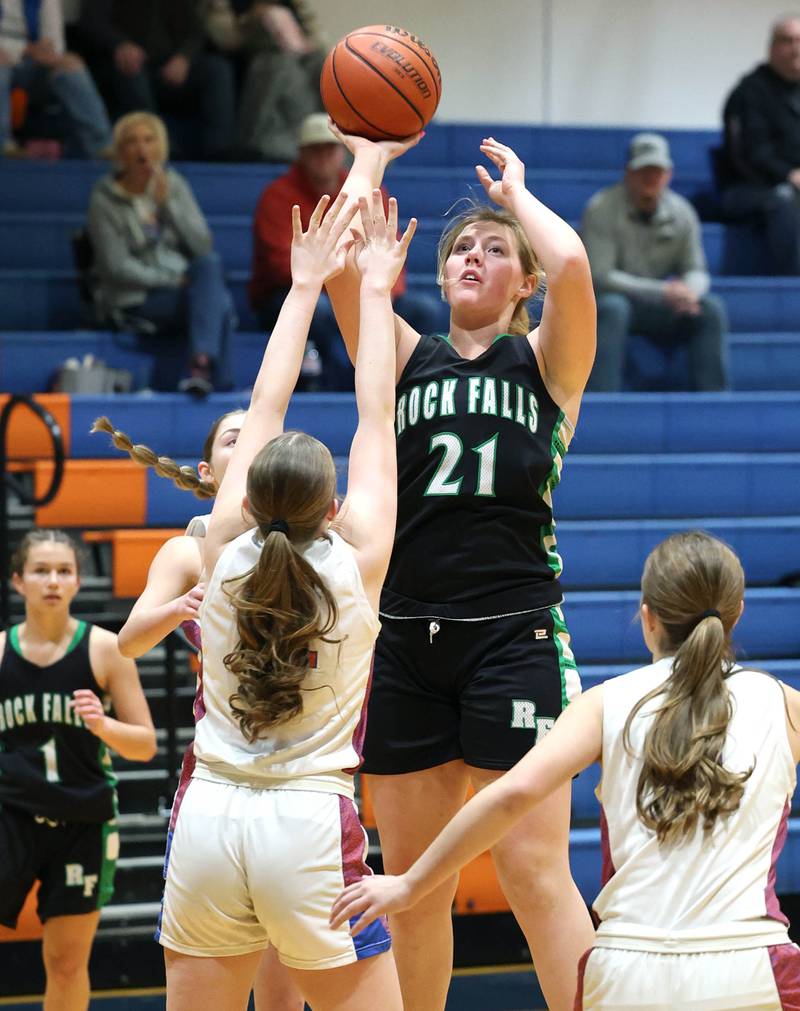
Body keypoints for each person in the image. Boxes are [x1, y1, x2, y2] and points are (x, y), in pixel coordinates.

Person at [323, 129, 597, 1011]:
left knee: (532, 871)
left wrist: (515, 196)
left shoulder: (547, 363)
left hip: (514, 634)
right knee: (411, 882)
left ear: (525, 284)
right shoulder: (403, 357)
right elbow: (338, 270)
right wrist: (369, 158)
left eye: (494, 251)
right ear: (438, 278)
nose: (473, 256)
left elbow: (578, 267)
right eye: (460, 250)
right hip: (404, 637)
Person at [332, 531, 800, 1010]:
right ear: (737, 613)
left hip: (626, 970)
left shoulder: (606, 703)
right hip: (753, 965)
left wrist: (411, 883)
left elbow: (511, 796)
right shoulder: (785, 705)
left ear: (648, 618)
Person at [157, 188, 415, 1010]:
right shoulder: (359, 559)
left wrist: (304, 286)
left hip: (206, 816)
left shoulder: (219, 548)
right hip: (308, 821)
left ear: (246, 491)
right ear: (330, 508)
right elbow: (379, 410)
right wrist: (371, 288)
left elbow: (263, 405)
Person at [92, 408, 306, 1011]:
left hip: (305, 763)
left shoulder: (305, 541)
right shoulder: (187, 549)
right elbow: (130, 640)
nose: (253, 443)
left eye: (261, 438)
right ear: (211, 472)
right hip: (224, 765)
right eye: (237, 437)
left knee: (285, 986)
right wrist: (181, 606)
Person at [0, 529, 157, 1011]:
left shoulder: (106, 649)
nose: (53, 580)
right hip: (10, 816)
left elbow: (145, 745)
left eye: (64, 571)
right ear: (17, 581)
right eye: (40, 570)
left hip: (82, 821)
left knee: (66, 963)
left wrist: (103, 724)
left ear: (77, 581)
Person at [250, 112, 442, 391]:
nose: (324, 157)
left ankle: (412, 387)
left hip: (359, 288)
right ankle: (335, 380)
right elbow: (283, 265)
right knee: (322, 310)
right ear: (301, 155)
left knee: (422, 308)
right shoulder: (277, 195)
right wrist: (349, 289)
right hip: (293, 293)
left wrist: (375, 292)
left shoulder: (373, 188)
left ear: (342, 152)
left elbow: (391, 249)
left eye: (329, 149)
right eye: (315, 150)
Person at [87, 111, 236, 394]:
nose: (142, 149)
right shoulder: (104, 198)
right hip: (135, 296)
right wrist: (171, 279)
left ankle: (201, 367)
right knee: (222, 304)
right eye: (132, 142)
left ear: (161, 146)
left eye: (149, 139)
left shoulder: (173, 185)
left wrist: (167, 203)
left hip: (181, 289)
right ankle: (216, 380)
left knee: (209, 264)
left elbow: (202, 244)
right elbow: (115, 266)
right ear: (120, 151)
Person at [580, 132, 729, 392]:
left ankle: (714, 402)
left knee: (710, 309)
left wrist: (689, 293)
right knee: (613, 309)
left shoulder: (683, 213)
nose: (650, 178)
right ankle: (602, 401)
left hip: (662, 305)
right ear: (629, 172)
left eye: (657, 171)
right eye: (643, 171)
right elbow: (601, 275)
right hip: (613, 302)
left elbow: (696, 268)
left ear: (669, 174)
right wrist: (663, 292)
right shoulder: (601, 209)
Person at [77, 0, 234, 161]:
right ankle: (159, 148)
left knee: (217, 69)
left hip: (167, 68)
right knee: (132, 71)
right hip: (120, 66)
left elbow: (196, 31)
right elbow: (91, 22)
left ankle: (218, 150)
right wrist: (119, 44)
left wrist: (184, 57)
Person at [198, 0, 324, 162]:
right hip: (248, 59)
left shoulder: (291, 4)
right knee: (278, 65)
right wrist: (252, 18)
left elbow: (316, 37)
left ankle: (326, 140)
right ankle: (252, 143)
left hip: (292, 58)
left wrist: (301, 41)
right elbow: (224, 38)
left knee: (323, 63)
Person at [722, 14, 800, 275]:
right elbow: (749, 155)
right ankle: (792, 287)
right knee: (783, 201)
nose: (795, 48)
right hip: (750, 189)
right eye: (787, 41)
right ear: (772, 48)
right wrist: (789, 175)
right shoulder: (750, 92)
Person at [0, 0, 111, 158]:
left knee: (70, 63)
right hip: (7, 61)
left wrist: (46, 51)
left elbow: (56, 44)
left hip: (31, 64)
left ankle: (102, 146)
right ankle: (3, 145)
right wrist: (23, 49)